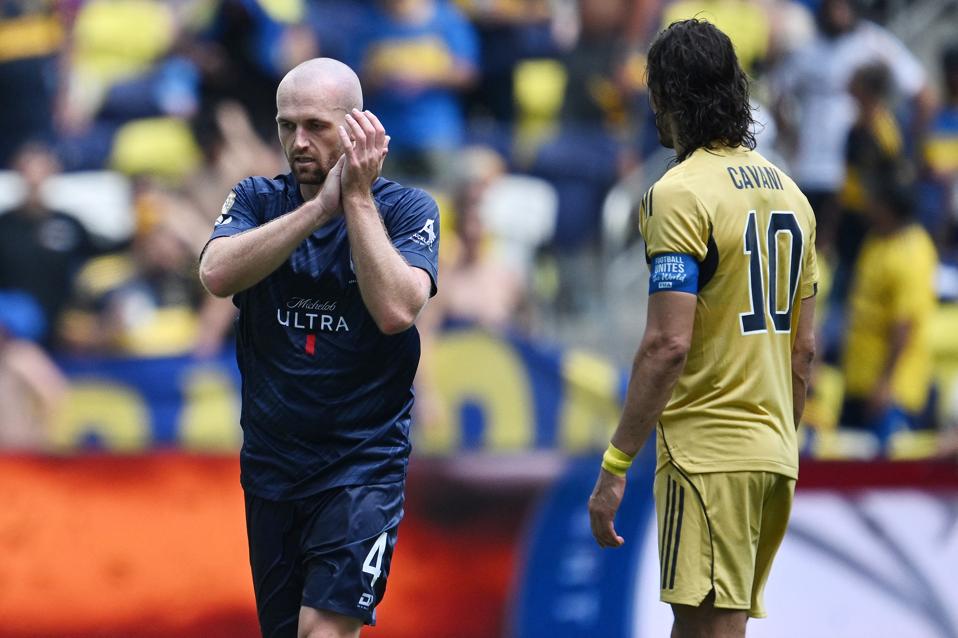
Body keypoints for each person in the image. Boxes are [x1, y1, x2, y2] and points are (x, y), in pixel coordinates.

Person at [588, 20, 818, 638]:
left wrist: (615, 464)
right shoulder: (795, 199)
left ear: (666, 97)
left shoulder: (679, 194)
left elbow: (667, 344)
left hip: (707, 454)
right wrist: (775, 442)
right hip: (773, 453)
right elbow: (805, 353)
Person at [197, 58, 439, 637]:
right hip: (271, 466)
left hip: (362, 466)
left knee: (323, 632)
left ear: (357, 128)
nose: (297, 142)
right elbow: (216, 274)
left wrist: (354, 199)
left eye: (315, 126)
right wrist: (316, 211)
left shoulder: (408, 210)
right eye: (286, 126)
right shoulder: (257, 199)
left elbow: (396, 310)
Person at [840, 178, 937, 451]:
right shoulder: (876, 239)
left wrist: (884, 385)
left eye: (876, 203)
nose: (869, 207)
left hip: (891, 392)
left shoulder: (913, 252)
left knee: (883, 475)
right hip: (858, 378)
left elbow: (904, 326)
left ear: (890, 208)